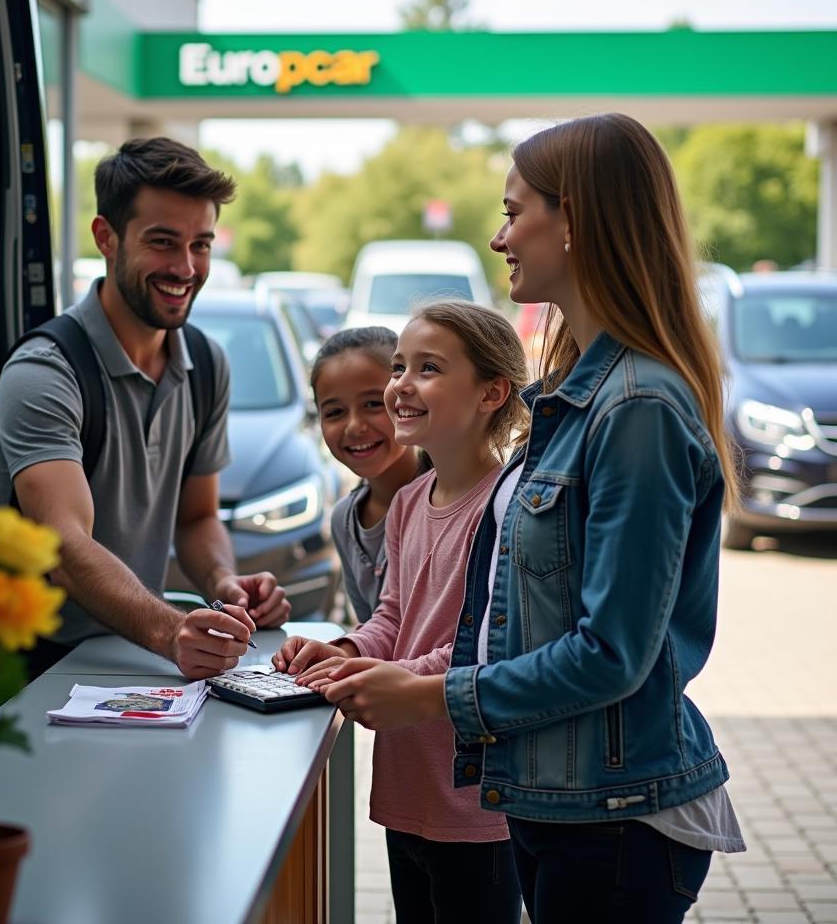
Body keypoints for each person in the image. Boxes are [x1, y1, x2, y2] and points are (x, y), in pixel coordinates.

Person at [315, 114, 746, 924]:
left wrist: (432, 697)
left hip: (615, 814)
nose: (499, 235)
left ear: (575, 220)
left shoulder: (638, 405)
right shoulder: (585, 392)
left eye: (515, 213)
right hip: (557, 800)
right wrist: (365, 658)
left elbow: (611, 653)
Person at [0, 137, 290, 679]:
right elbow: (62, 547)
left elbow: (197, 517)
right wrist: (170, 631)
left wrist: (225, 584)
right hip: (29, 675)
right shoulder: (45, 372)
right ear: (107, 238)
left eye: (201, 244)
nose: (186, 267)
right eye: (162, 242)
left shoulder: (204, 361)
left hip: (139, 666)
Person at [275, 301, 528, 924]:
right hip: (406, 783)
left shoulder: (508, 507)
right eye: (399, 367)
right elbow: (391, 616)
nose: (401, 386)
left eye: (428, 368)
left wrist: (391, 678)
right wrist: (347, 653)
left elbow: (489, 648)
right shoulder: (411, 501)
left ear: (491, 392)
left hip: (476, 804)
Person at [309, 326, 423, 624]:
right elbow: (373, 631)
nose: (354, 426)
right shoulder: (344, 520)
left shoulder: (445, 503)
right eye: (334, 412)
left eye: (372, 404)